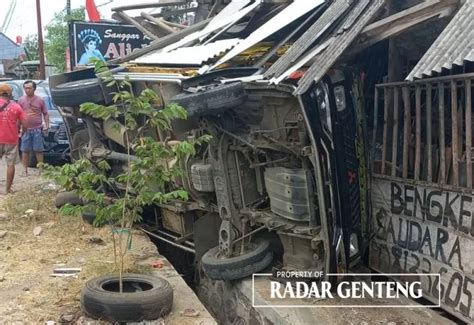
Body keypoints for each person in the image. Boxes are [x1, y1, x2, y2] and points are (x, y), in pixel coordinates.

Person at [0, 83, 27, 194]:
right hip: (11, 139)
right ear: (10, 94)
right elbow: (25, 123)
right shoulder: (16, 107)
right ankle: (7, 189)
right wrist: (22, 133)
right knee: (10, 164)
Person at [18, 80, 49, 176]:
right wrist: (19, 128)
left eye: (29, 88)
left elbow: (45, 113)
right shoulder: (21, 100)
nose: (27, 90)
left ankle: (40, 169)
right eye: (25, 88)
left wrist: (47, 125)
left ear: (34, 89)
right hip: (26, 130)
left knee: (38, 150)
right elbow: (18, 115)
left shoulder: (40, 100)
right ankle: (24, 170)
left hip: (37, 129)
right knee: (25, 150)